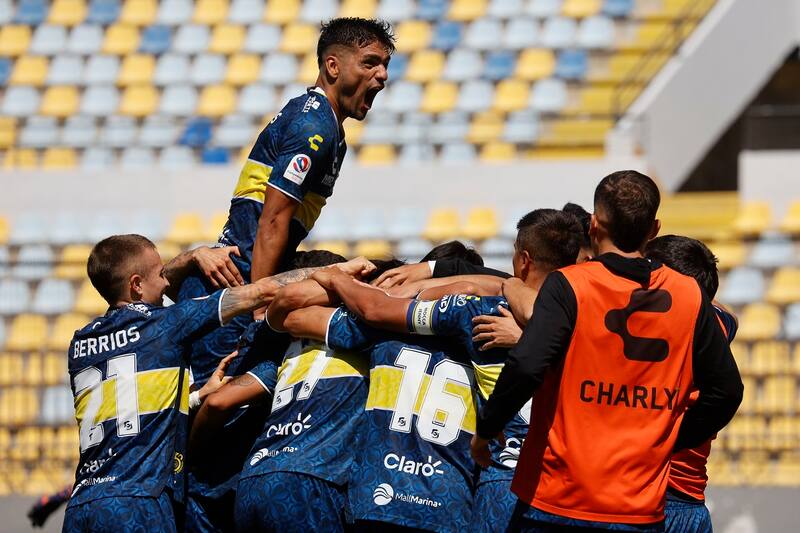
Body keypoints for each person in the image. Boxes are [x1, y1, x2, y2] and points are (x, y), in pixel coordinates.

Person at [472, 170, 744, 531]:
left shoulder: (569, 284)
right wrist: (668, 439)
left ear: (594, 225)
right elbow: (727, 391)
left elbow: (526, 366)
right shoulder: (690, 296)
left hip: (557, 498)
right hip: (638, 508)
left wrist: (487, 430)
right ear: (654, 229)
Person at [62, 235, 372, 533]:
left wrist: (194, 397)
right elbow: (260, 292)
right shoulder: (164, 324)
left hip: (82, 504)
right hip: (139, 500)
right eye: (160, 274)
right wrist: (336, 274)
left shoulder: (79, 343)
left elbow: (127, 404)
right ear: (136, 285)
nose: (168, 282)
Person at [177, 17, 395, 389]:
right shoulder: (315, 128)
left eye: (385, 65)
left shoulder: (325, 124)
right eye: (370, 62)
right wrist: (258, 303)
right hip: (235, 291)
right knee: (213, 413)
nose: (382, 76)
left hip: (237, 283)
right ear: (332, 66)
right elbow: (274, 219)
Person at [645, 235, 738, 533]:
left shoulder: (654, 332)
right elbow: (729, 314)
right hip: (692, 504)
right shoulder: (719, 324)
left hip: (651, 500)